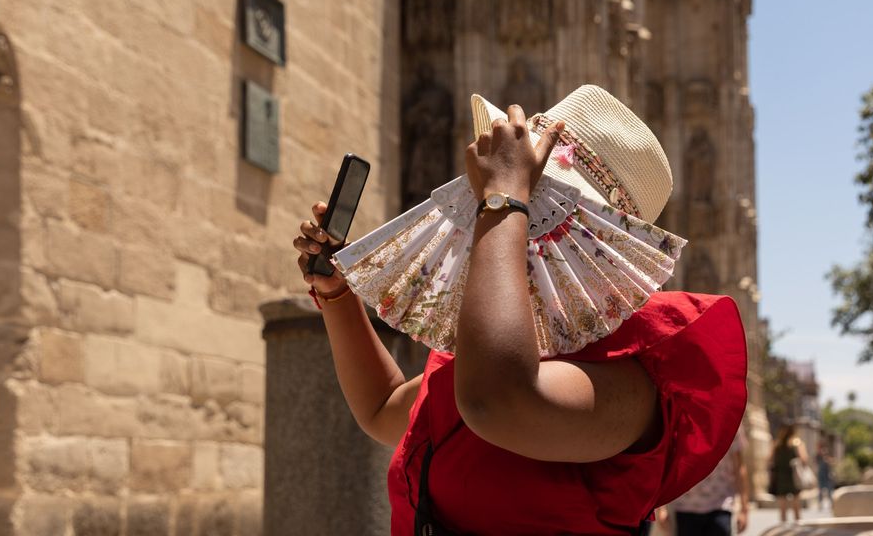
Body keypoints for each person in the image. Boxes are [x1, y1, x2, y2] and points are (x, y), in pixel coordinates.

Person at [292, 86, 748, 535]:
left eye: (529, 198)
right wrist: (338, 295)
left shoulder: (629, 381)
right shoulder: (483, 347)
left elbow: (496, 399)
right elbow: (384, 408)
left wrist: (505, 198)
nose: (480, 201)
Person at [657, 428, 750, 535]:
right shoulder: (680, 419)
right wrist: (661, 507)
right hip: (686, 506)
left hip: (720, 504)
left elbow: (739, 467)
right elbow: (665, 463)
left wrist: (744, 508)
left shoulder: (730, 419)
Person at [768, 424, 808, 523]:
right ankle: (798, 531)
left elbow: (769, 460)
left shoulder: (776, 444)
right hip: (794, 477)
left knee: (782, 510)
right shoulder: (797, 443)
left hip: (780, 477)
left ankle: (783, 530)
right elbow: (804, 459)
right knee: (796, 508)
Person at [815, 443, 834, 510]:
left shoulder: (827, 454)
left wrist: (827, 459)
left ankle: (832, 505)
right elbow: (816, 463)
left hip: (827, 475)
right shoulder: (818, 456)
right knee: (820, 491)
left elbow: (831, 462)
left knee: (830, 491)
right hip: (821, 476)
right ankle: (820, 505)